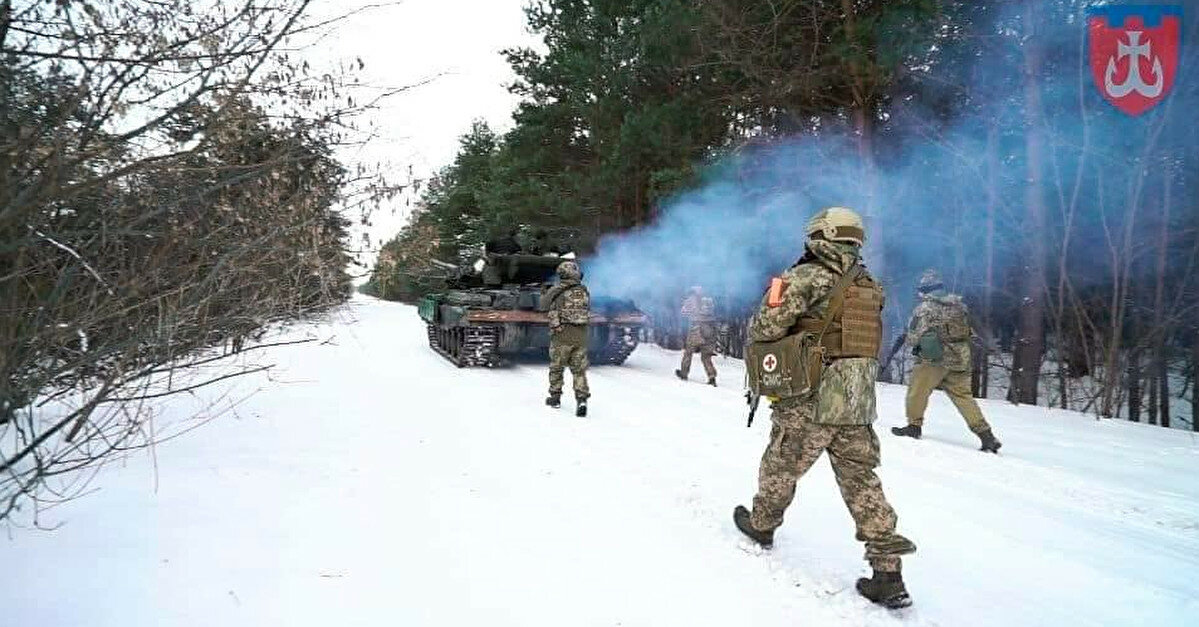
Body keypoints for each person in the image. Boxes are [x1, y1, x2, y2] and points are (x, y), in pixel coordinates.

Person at [733, 207, 916, 609]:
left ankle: (762, 526)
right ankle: (888, 573)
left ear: (821, 234)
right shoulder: (870, 284)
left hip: (811, 397)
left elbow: (764, 328)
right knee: (862, 482)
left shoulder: (804, 276)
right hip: (856, 400)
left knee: (781, 464)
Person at [891, 269, 1002, 453]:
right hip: (961, 358)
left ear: (925, 290)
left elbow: (912, 337)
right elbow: (969, 331)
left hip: (935, 359)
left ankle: (914, 427)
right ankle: (986, 436)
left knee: (917, 392)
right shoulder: (960, 306)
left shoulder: (925, 308)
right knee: (963, 397)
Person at [539, 260, 590, 417]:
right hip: (580, 336)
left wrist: (546, 292)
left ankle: (555, 398)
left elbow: (543, 305)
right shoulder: (583, 290)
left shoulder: (557, 289)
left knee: (557, 368)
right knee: (579, 370)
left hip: (561, 336)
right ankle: (582, 400)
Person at [675, 286, 718, 386]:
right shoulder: (709, 300)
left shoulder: (691, 300)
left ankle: (684, 373)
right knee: (706, 356)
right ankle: (712, 376)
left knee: (688, 352)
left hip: (697, 329)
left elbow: (683, 312)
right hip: (710, 329)